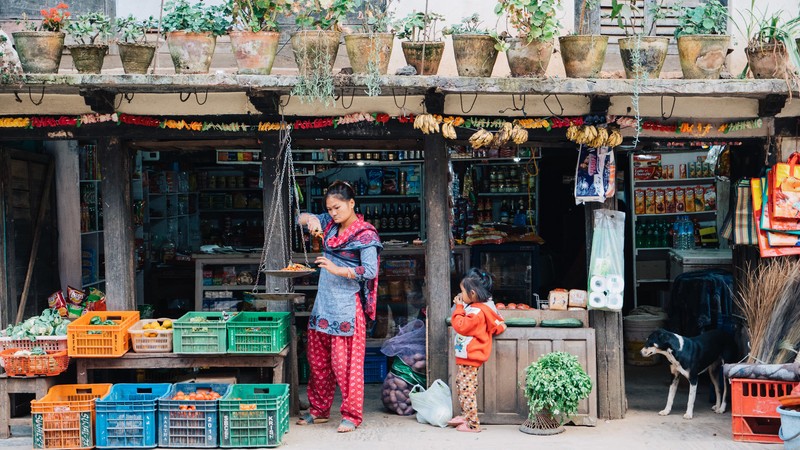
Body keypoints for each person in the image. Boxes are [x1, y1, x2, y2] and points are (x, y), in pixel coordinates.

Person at [295, 180, 382, 433]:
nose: (333, 213)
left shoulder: (366, 235)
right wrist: (312, 219)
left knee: (346, 367)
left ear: (351, 203)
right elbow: (298, 218)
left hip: (347, 308)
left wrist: (336, 269)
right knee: (318, 364)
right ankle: (319, 410)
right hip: (323, 305)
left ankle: (351, 416)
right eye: (329, 209)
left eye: (337, 207)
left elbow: (370, 270)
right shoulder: (329, 225)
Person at [448, 268, 506, 433]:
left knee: (466, 389)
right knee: (462, 386)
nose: (461, 295)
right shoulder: (481, 308)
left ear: (472, 293)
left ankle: (472, 424)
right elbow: (498, 325)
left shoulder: (477, 312)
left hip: (470, 357)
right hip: (468, 356)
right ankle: (466, 416)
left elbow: (461, 325)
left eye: (462, 292)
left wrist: (459, 307)